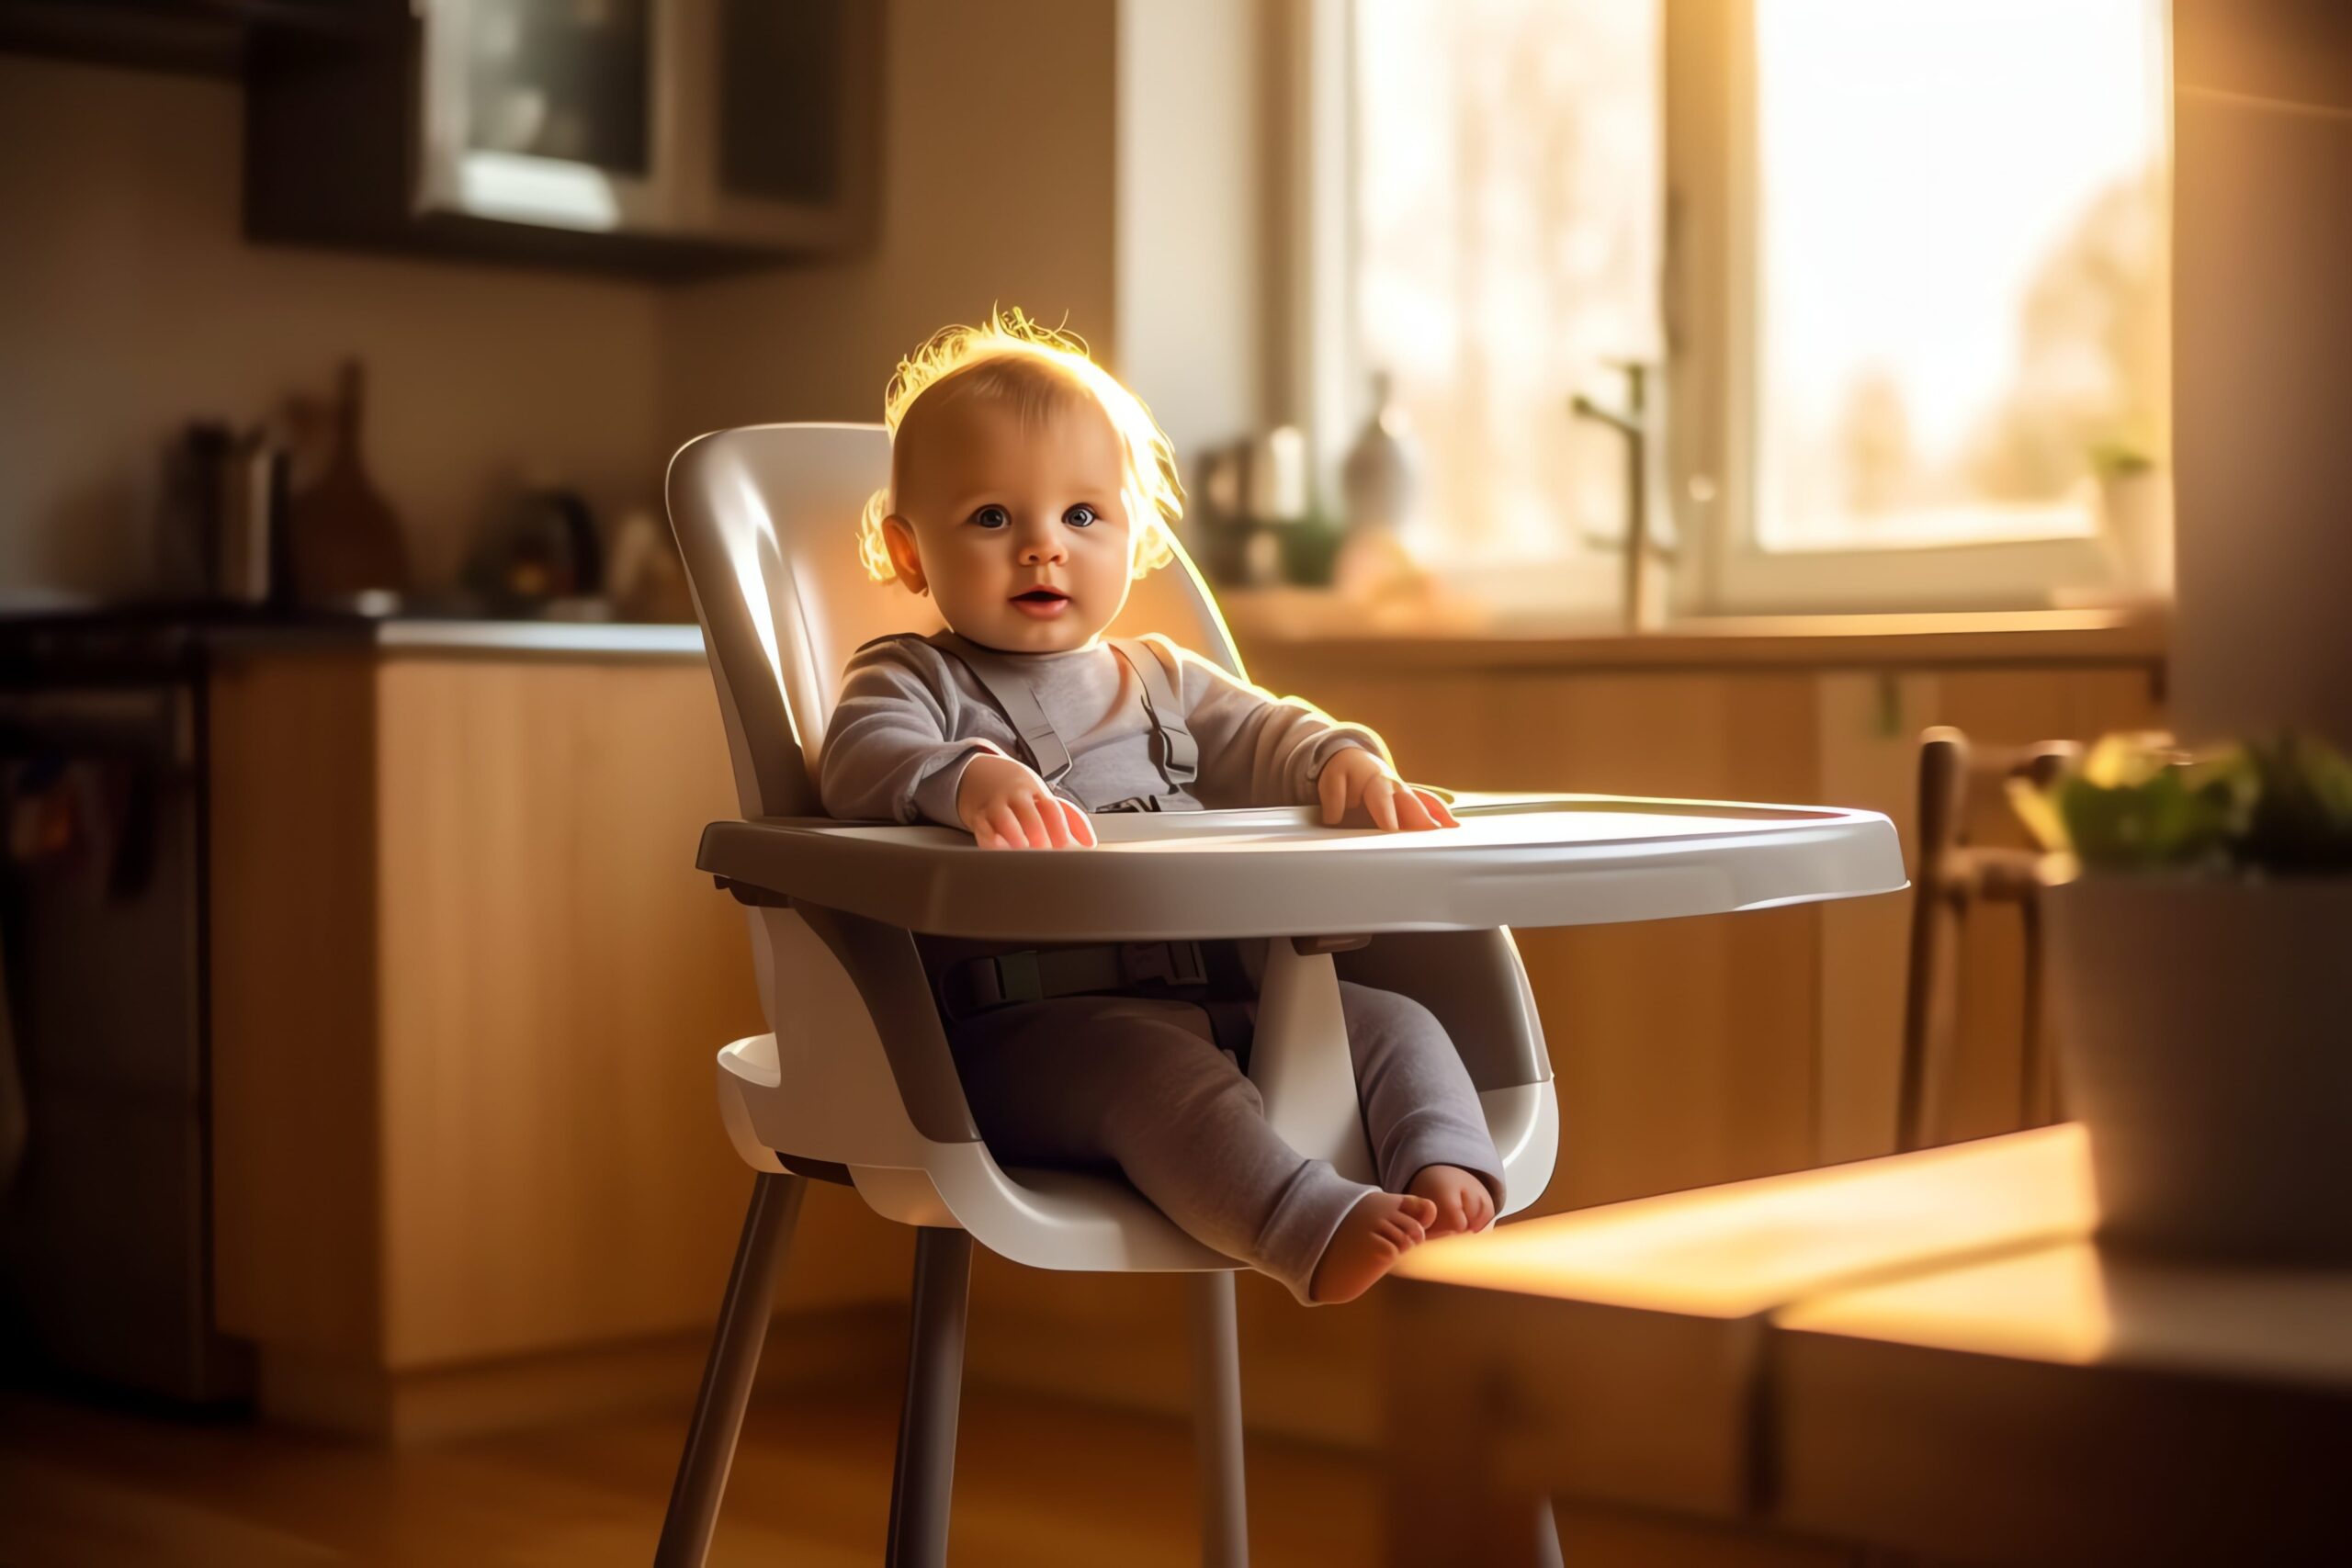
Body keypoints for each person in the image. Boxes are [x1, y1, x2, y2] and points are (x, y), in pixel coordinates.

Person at [819, 310, 1504, 1303]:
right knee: (1159, 1084)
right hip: (1031, 1034)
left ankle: (1443, 1174)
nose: (1042, 550)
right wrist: (968, 779)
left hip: (1226, 991)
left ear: (1134, 536)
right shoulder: (912, 677)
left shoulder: (1165, 678)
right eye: (991, 519)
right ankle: (1303, 1227)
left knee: (1392, 1021)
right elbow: (857, 759)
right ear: (911, 552)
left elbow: (1273, 732)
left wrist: (1341, 763)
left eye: (1082, 517)